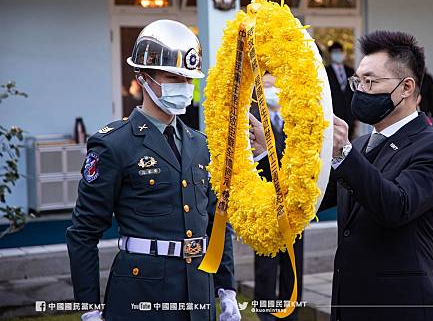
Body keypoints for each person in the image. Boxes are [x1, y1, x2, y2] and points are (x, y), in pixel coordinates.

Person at [66, 20, 240, 321]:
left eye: (188, 80)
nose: (184, 88)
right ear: (144, 78)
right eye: (173, 77)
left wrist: (227, 289)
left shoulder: (200, 144)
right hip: (142, 292)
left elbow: (215, 223)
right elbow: (83, 232)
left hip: (198, 288)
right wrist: (89, 307)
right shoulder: (114, 144)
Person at [318, 30, 433, 321]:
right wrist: (264, 153)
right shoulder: (359, 146)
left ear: (406, 87)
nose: (360, 90)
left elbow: (396, 206)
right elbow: (313, 197)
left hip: (403, 305)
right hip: (351, 304)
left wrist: (343, 152)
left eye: (370, 81)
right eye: (358, 81)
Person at [251, 73, 304, 321]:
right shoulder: (253, 121)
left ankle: (291, 311)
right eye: (267, 87)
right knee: (267, 265)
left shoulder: (296, 119)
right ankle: (266, 313)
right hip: (265, 203)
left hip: (294, 204)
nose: (272, 91)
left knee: (293, 265)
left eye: (276, 86)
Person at [325, 42, 357, 139]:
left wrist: (356, 117)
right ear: (330, 54)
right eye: (335, 52)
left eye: (340, 52)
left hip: (349, 116)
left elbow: (354, 93)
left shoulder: (350, 71)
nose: (338, 54)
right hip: (334, 115)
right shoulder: (325, 72)